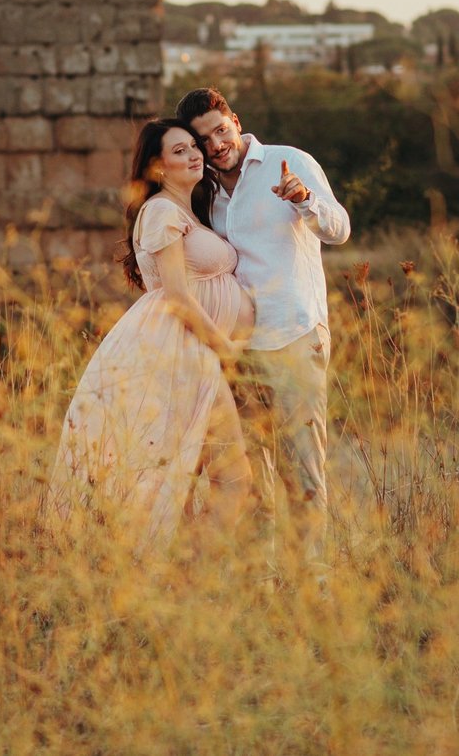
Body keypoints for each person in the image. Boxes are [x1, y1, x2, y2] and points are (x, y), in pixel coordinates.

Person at [50, 118, 257, 551]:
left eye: (193, 146)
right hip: (183, 352)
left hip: (193, 352)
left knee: (183, 474)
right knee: (231, 476)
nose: (195, 154)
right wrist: (227, 351)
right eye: (179, 151)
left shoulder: (186, 212)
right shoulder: (162, 210)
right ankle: (191, 581)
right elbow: (178, 296)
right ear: (158, 167)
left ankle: (177, 577)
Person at [177, 87, 350, 573]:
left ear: (236, 121)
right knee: (253, 471)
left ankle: (311, 582)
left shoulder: (288, 161)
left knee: (302, 465)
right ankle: (267, 582)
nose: (215, 145)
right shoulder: (204, 189)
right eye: (202, 139)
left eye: (220, 130)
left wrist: (304, 198)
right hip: (240, 347)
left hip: (294, 333)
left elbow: (340, 229)